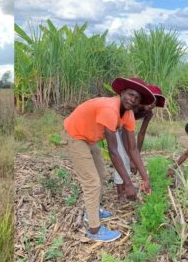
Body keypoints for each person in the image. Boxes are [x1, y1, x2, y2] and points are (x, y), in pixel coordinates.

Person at [62, 77, 153, 242]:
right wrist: (128, 184)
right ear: (122, 92)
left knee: (101, 175)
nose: (132, 100)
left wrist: (145, 178)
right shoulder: (110, 109)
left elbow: (132, 149)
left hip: (89, 138)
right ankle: (95, 230)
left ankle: (93, 212)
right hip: (75, 136)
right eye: (130, 95)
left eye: (137, 98)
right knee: (92, 183)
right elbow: (113, 151)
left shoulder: (128, 115)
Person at [111, 80, 163, 202]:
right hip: (115, 125)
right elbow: (125, 132)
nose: (151, 105)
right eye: (150, 101)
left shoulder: (148, 113)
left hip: (124, 128)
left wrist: (136, 155)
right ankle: (120, 193)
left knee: (128, 157)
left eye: (154, 104)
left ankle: (124, 186)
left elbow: (141, 134)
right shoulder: (132, 106)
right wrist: (130, 157)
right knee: (122, 157)